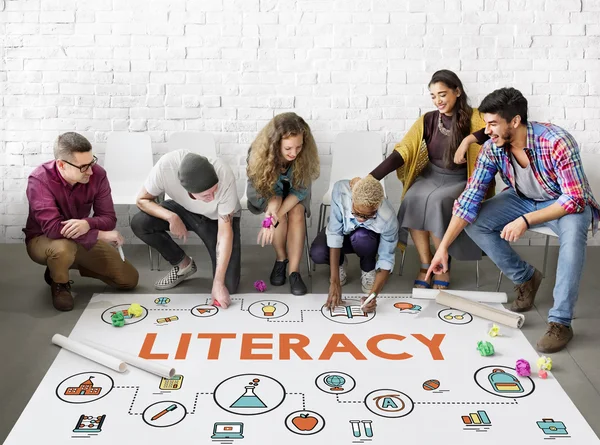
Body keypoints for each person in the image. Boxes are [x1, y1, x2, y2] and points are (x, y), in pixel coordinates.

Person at [427, 87, 600, 353]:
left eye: (493, 123)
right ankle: (526, 278)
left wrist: (526, 221)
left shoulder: (556, 141)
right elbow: (469, 200)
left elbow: (575, 198)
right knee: (475, 221)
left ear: (515, 121)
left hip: (562, 203)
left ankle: (560, 322)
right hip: (522, 198)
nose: (487, 130)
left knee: (574, 238)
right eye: (486, 123)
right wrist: (442, 250)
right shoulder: (492, 148)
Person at [370, 69, 492, 290]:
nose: (438, 101)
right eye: (433, 96)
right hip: (431, 175)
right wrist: (373, 177)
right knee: (413, 197)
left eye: (442, 94)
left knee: (437, 202)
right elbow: (404, 150)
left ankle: (442, 265)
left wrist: (466, 142)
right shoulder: (428, 119)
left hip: (461, 180)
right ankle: (427, 264)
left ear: (457, 91)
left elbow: (492, 129)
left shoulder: (476, 117)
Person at [23, 132, 139, 311]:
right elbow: (53, 229)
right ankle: (59, 283)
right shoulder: (39, 180)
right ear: (61, 165)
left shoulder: (98, 175)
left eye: (92, 161)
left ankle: (60, 266)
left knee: (129, 279)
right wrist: (99, 234)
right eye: (84, 167)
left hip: (81, 236)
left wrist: (87, 224)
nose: (91, 171)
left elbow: (108, 218)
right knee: (63, 248)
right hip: (43, 239)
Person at [131, 149, 241, 308]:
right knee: (140, 222)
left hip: (218, 218)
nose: (212, 197)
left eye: (214, 190)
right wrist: (171, 217)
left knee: (228, 285)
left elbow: (224, 233)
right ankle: (183, 264)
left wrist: (218, 283)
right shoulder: (165, 167)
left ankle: (219, 281)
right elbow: (141, 200)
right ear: (189, 192)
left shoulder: (224, 174)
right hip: (183, 209)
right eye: (206, 195)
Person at [246, 112, 320, 296]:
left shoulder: (304, 156)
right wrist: (273, 211)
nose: (294, 153)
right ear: (275, 144)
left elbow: (300, 191)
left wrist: (273, 217)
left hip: (296, 193)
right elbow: (267, 192)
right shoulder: (258, 154)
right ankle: (281, 259)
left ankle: (294, 271)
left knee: (296, 212)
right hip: (266, 193)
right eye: (288, 148)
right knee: (278, 210)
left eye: (299, 147)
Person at [310, 176, 399, 311]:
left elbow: (386, 258)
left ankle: (368, 268)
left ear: (378, 206)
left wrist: (373, 296)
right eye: (356, 213)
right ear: (352, 199)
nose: (360, 219)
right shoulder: (340, 191)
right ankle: (339, 263)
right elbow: (335, 233)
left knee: (362, 237)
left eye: (368, 216)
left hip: (366, 240)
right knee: (318, 253)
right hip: (343, 234)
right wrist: (335, 282)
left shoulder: (388, 218)